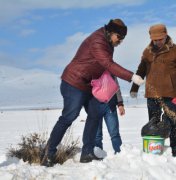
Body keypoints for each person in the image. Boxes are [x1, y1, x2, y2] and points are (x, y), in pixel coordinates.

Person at [41, 18, 144, 167]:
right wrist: (131, 76)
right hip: (74, 83)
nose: (120, 41)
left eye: (123, 39)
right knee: (69, 117)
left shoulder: (109, 43)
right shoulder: (98, 41)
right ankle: (48, 153)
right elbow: (108, 64)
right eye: (119, 37)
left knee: (96, 113)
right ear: (110, 31)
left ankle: (87, 153)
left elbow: (105, 67)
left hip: (88, 85)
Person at [130, 24, 176, 157]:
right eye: (155, 39)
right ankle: (156, 153)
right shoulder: (147, 52)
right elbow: (140, 71)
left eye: (160, 39)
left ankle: (175, 153)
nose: (158, 42)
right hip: (152, 94)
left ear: (165, 35)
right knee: (153, 124)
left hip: (169, 93)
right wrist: (134, 88)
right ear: (151, 38)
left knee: (172, 122)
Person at [95, 78, 124, 154]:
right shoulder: (91, 69)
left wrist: (120, 104)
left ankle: (120, 155)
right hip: (95, 107)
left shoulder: (110, 69)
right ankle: (98, 156)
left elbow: (116, 87)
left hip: (110, 106)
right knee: (97, 135)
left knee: (114, 134)